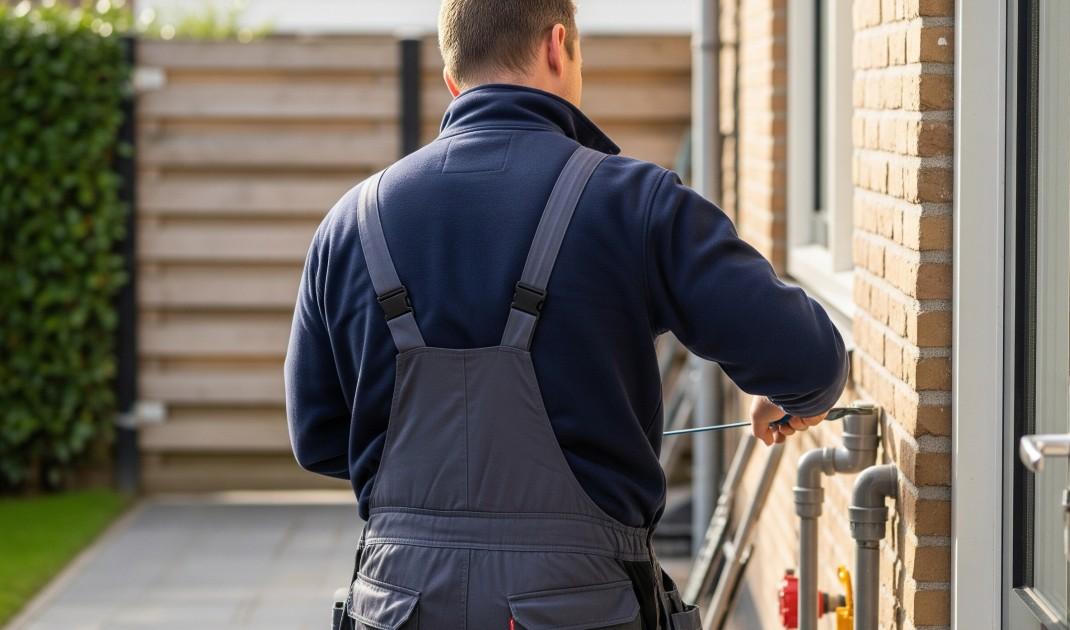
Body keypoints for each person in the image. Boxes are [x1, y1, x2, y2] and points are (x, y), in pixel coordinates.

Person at [284, 1, 848, 628]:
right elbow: (811, 359)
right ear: (559, 46)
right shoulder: (638, 203)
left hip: (396, 606)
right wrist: (792, 395)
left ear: (452, 80)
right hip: (584, 605)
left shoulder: (348, 224)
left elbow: (319, 439)